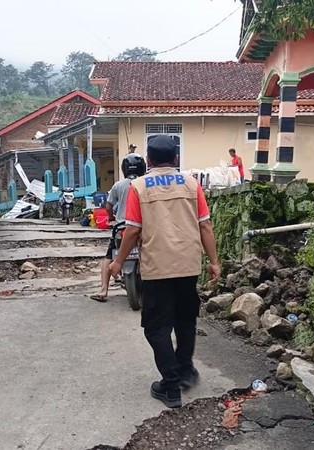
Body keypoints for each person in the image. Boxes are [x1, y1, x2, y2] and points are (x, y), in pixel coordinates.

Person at [110, 135, 221, 409]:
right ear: (175, 159)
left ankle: (170, 386)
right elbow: (205, 226)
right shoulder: (192, 184)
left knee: (157, 328)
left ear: (148, 160)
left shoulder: (138, 187)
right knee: (185, 321)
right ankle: (185, 370)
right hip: (188, 265)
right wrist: (214, 261)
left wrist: (117, 262)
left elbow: (133, 230)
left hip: (157, 268)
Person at [89, 154, 147, 302]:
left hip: (122, 227)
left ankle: (103, 290)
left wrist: (111, 218)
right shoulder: (146, 183)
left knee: (109, 255)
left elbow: (108, 207)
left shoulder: (118, 185)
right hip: (144, 227)